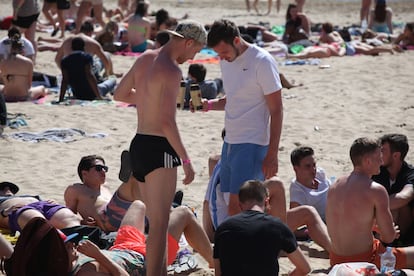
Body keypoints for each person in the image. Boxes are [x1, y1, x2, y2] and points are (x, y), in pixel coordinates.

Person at [113, 20, 206, 276]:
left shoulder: (145, 58)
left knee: (155, 222)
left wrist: (147, 101)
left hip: (139, 144)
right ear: (188, 42)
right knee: (160, 225)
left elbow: (119, 94)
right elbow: (167, 121)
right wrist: (186, 161)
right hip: (159, 147)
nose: (193, 56)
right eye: (196, 50)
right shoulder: (172, 70)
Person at [201, 19, 283, 218]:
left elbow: (277, 109)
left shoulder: (261, 61)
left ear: (236, 40)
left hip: (253, 143)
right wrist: (210, 105)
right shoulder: (226, 61)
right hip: (230, 142)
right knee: (231, 205)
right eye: (218, 54)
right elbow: (235, 99)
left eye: (224, 52)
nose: (222, 57)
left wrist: (272, 153)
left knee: (242, 207)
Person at [326, 137, 414, 269]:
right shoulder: (375, 190)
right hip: (366, 260)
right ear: (367, 161)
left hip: (335, 260)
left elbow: (347, 221)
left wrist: (372, 226)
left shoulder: (335, 186)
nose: (381, 161)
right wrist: (391, 232)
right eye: (379, 157)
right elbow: (389, 238)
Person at [214, 180, 311, 275]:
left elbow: (218, 272)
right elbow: (305, 268)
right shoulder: (278, 227)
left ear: (240, 205)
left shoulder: (223, 228)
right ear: (267, 203)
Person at [372, 134, 414, 245]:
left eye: (383, 151)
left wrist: (376, 208)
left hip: (402, 228)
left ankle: (385, 245)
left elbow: (404, 197)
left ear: (396, 155)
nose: (379, 155)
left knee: (399, 205)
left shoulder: (410, 174)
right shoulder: (378, 171)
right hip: (376, 224)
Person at [0, 181, 82, 234]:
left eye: (11, 188)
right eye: (2, 188)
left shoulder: (27, 196)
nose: (7, 189)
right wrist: (4, 212)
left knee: (71, 219)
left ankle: (81, 235)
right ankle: (58, 238)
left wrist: (52, 203)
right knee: (39, 223)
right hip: (19, 210)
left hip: (42, 205)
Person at [59, 37, 116, 101]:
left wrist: (61, 98)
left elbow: (65, 80)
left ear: (72, 47)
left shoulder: (65, 60)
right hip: (92, 93)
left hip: (77, 94)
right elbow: (89, 75)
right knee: (113, 80)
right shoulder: (86, 57)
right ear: (83, 47)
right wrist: (99, 96)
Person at [0, 34, 47, 102]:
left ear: (11, 48)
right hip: (24, 96)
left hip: (6, 95)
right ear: (22, 49)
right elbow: (29, 85)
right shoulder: (28, 62)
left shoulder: (3, 62)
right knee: (42, 88)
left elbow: (3, 80)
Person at [290, 146, 331, 221]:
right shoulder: (298, 193)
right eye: (308, 166)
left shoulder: (320, 173)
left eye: (314, 165)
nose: (313, 169)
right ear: (296, 169)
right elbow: (294, 226)